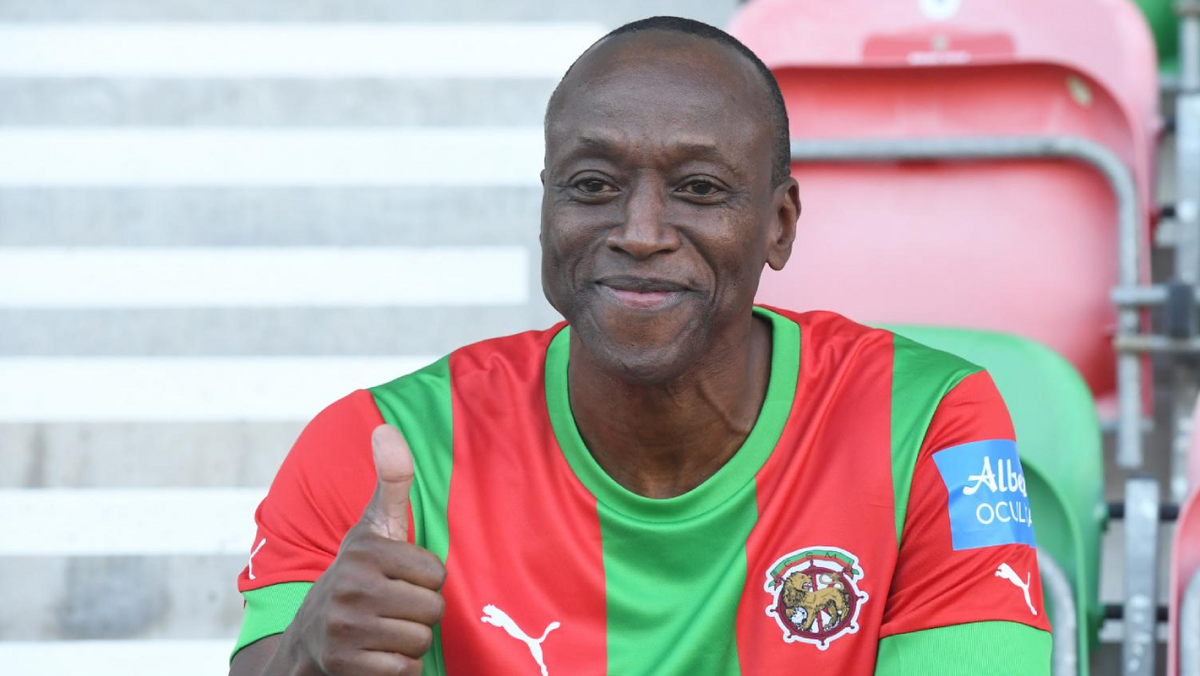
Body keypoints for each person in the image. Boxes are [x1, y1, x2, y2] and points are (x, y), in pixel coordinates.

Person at [228, 16, 1051, 676]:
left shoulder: (932, 423)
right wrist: (307, 656)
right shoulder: (378, 448)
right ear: (545, 211)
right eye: (593, 186)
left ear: (779, 225)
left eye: (699, 189)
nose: (641, 232)